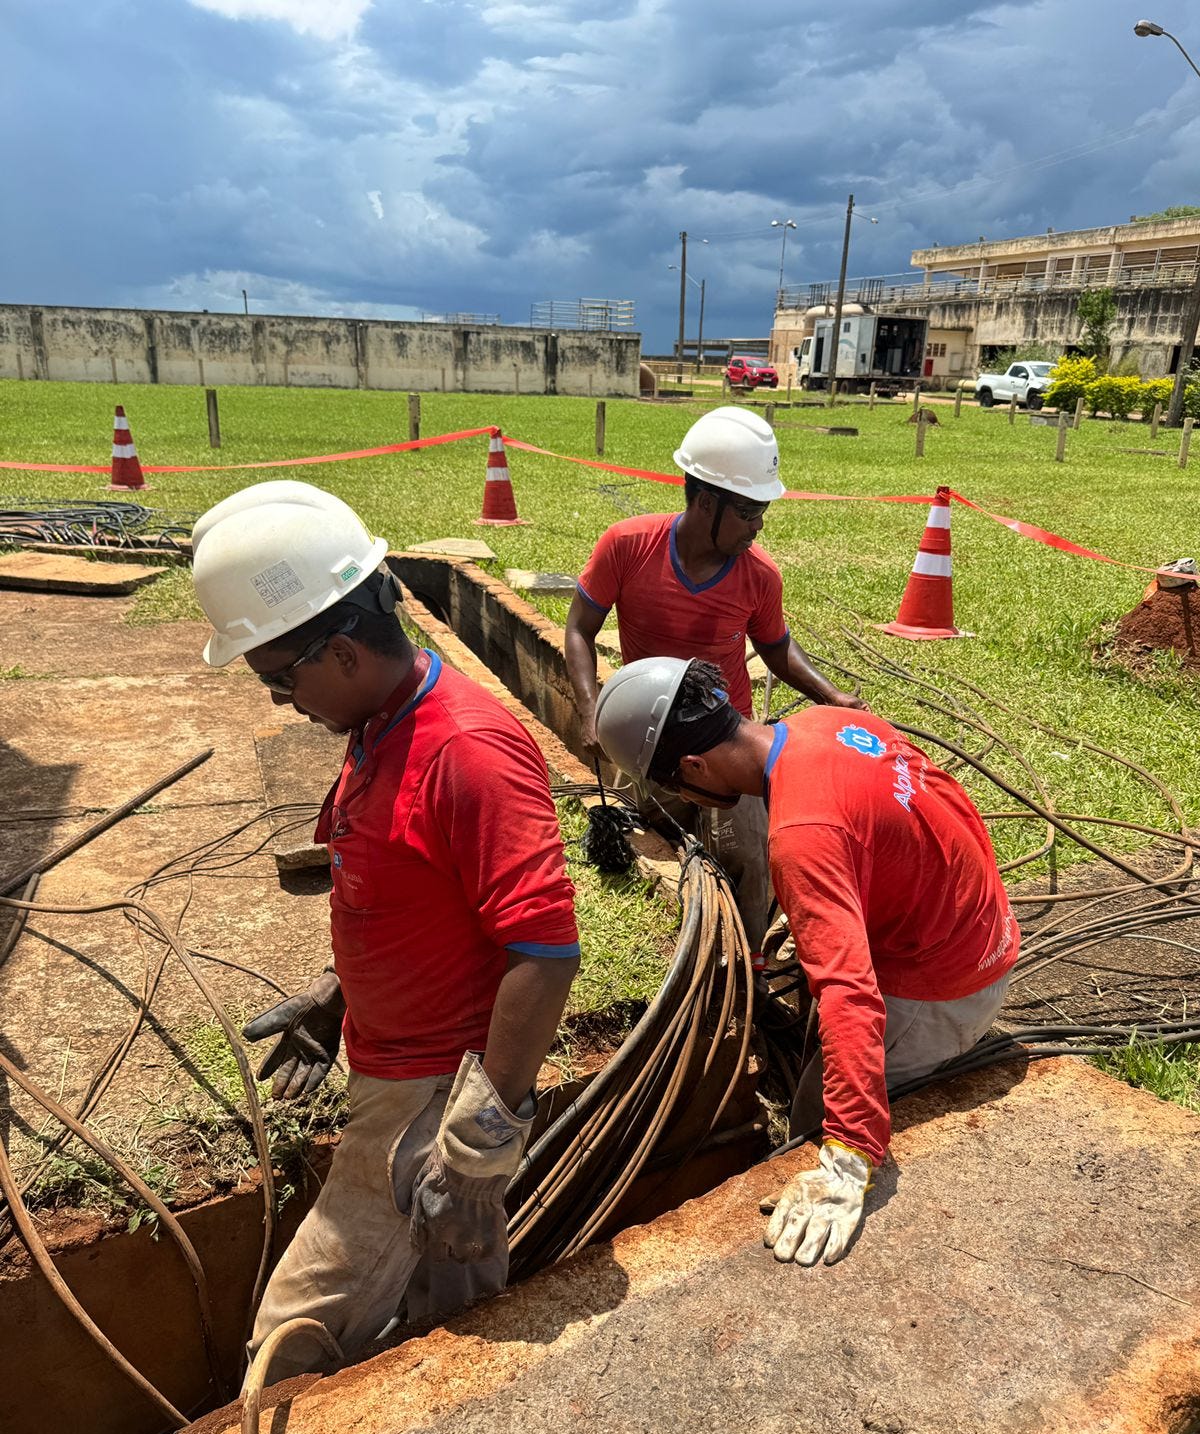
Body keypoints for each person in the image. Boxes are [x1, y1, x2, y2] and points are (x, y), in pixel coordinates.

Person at [191, 482, 580, 1377]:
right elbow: (411, 889)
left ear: (340, 651)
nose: (281, 701)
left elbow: (546, 952)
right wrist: (340, 996)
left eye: (279, 679)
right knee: (453, 1307)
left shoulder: (465, 752)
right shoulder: (380, 722)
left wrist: (475, 1150)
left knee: (287, 1348)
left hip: (430, 1098)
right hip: (394, 1069)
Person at [593, 656, 1019, 1269]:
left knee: (816, 1113)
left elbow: (849, 993)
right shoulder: (828, 724)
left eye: (674, 786)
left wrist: (848, 1154)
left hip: (943, 987)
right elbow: (941, 794)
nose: (683, 797)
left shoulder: (802, 835)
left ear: (693, 766)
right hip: (985, 932)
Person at [564, 406, 864, 954]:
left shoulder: (759, 575)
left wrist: (832, 696)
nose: (758, 525)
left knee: (749, 857)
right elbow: (580, 629)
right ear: (706, 502)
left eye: (761, 512)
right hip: (652, 740)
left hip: (727, 740)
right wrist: (591, 712)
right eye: (748, 512)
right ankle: (685, 946)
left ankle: (744, 967)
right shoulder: (627, 546)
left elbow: (775, 646)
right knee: (658, 838)